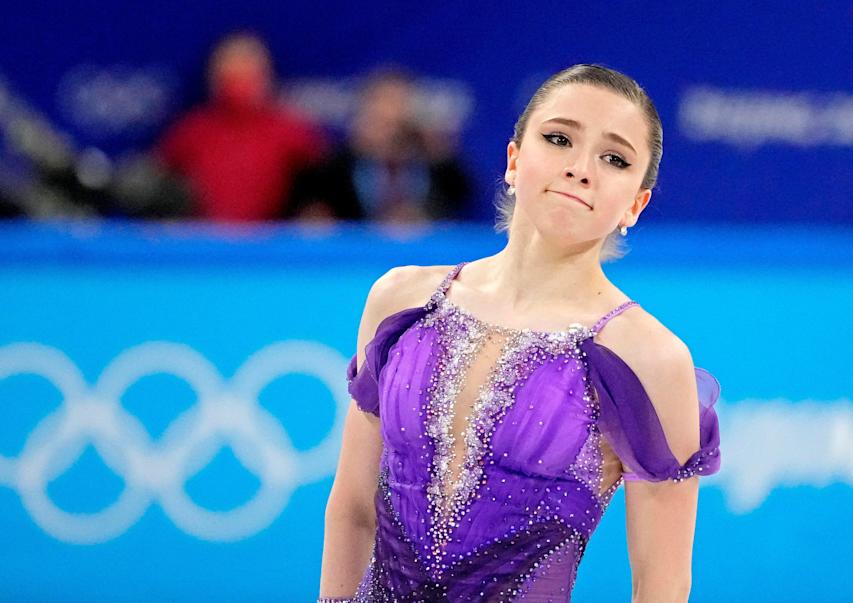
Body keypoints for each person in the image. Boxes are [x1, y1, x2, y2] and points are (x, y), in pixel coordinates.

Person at [318, 64, 721, 602]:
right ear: (513, 159)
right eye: (559, 139)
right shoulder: (402, 301)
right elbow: (351, 509)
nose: (581, 169)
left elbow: (662, 584)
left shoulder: (647, 356)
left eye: (614, 158)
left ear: (635, 203)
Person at [155, 32, 325, 222]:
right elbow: (158, 187)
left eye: (247, 65)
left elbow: (321, 196)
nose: (238, 77)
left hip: (274, 244)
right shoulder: (190, 132)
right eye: (230, 67)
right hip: (202, 244)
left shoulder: (293, 132)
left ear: (266, 74)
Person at [290, 69, 471, 224]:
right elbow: (314, 212)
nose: (390, 113)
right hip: (356, 258)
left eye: (399, 103)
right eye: (382, 102)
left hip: (420, 254)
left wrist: (439, 152)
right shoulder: (336, 167)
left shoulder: (436, 161)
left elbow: (461, 197)